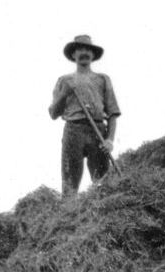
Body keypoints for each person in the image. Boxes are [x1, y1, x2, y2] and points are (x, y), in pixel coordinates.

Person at [48, 34, 121, 197]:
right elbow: (53, 113)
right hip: (73, 131)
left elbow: (112, 113)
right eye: (80, 49)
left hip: (98, 131)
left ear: (93, 55)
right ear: (73, 54)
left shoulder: (103, 79)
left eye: (88, 49)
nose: (84, 53)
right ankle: (67, 217)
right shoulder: (64, 80)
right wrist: (64, 94)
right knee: (69, 183)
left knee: (103, 183)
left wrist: (110, 139)